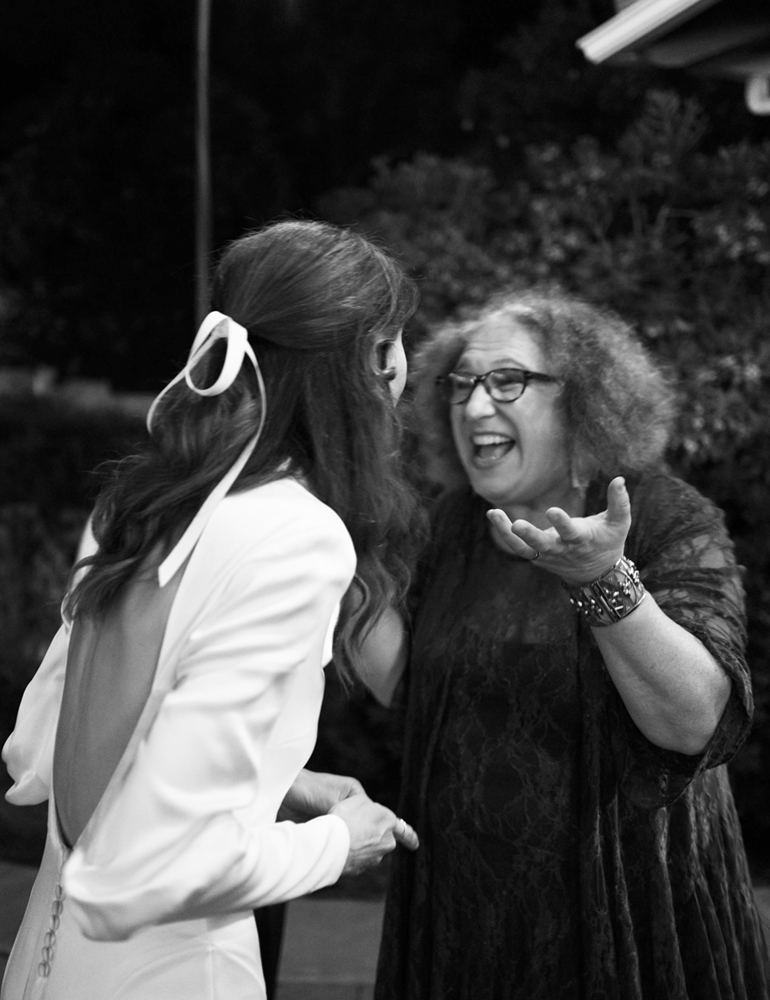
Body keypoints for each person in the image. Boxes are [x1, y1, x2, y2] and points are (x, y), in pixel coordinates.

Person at [1, 218, 421, 1000]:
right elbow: (159, 866)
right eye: (396, 345)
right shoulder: (298, 536)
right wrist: (336, 843)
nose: (406, 374)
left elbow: (38, 752)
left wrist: (276, 779)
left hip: (46, 961)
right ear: (367, 364)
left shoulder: (141, 504)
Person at [364, 290, 770, 999]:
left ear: (584, 399)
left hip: (624, 915)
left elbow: (694, 722)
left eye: (507, 381)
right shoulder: (457, 523)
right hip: (464, 917)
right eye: (461, 385)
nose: (474, 407)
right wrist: (331, 553)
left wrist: (603, 580)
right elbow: (406, 684)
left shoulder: (664, 518)